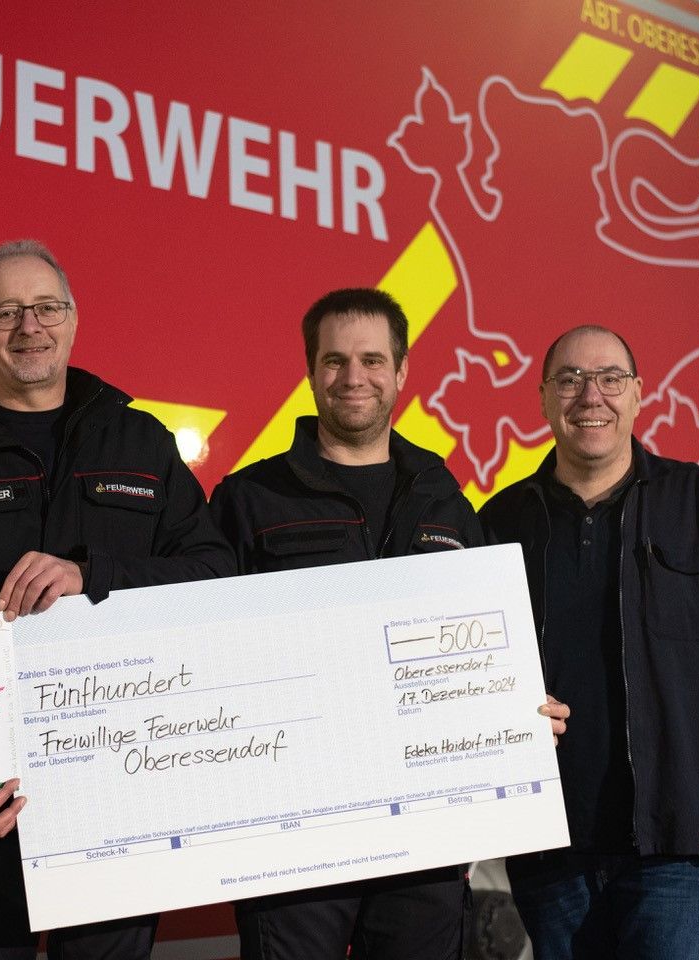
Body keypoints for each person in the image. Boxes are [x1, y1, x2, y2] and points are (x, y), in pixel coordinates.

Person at [0, 238, 234, 959]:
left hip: (118, 789)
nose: (28, 326)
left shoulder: (141, 442)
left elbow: (213, 575)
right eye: (4, 312)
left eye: (45, 307)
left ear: (73, 318)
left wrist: (92, 574)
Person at [209, 288, 564, 960]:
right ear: (311, 371)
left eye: (372, 360)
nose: (354, 377)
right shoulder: (249, 500)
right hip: (295, 831)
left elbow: (482, 640)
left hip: (426, 828)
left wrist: (519, 709)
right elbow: (199, 654)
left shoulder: (445, 500)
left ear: (401, 372)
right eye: (335, 360)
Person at [479, 325, 699, 960]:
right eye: (570, 379)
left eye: (609, 379)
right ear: (543, 397)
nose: (590, 395)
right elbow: (470, 670)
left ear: (639, 393)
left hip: (679, 839)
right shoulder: (500, 522)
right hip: (549, 844)